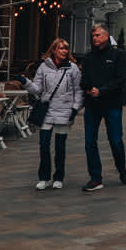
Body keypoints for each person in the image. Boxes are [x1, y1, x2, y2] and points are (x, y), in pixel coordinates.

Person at [26, 38, 83, 192]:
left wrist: (75, 108)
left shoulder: (72, 68)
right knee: (44, 144)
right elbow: (37, 89)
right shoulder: (44, 67)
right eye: (61, 48)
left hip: (65, 111)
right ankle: (44, 177)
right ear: (54, 50)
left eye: (66, 48)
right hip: (48, 111)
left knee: (60, 146)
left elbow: (78, 90)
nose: (64, 51)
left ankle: (58, 177)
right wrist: (26, 83)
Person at [80, 22, 126, 191]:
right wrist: (89, 88)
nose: (94, 38)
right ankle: (95, 178)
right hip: (92, 105)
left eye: (98, 35)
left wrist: (101, 91)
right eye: (93, 36)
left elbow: (120, 79)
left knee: (115, 140)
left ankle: (121, 168)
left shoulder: (118, 55)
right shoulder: (88, 57)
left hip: (112, 104)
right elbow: (84, 78)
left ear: (106, 36)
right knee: (89, 142)